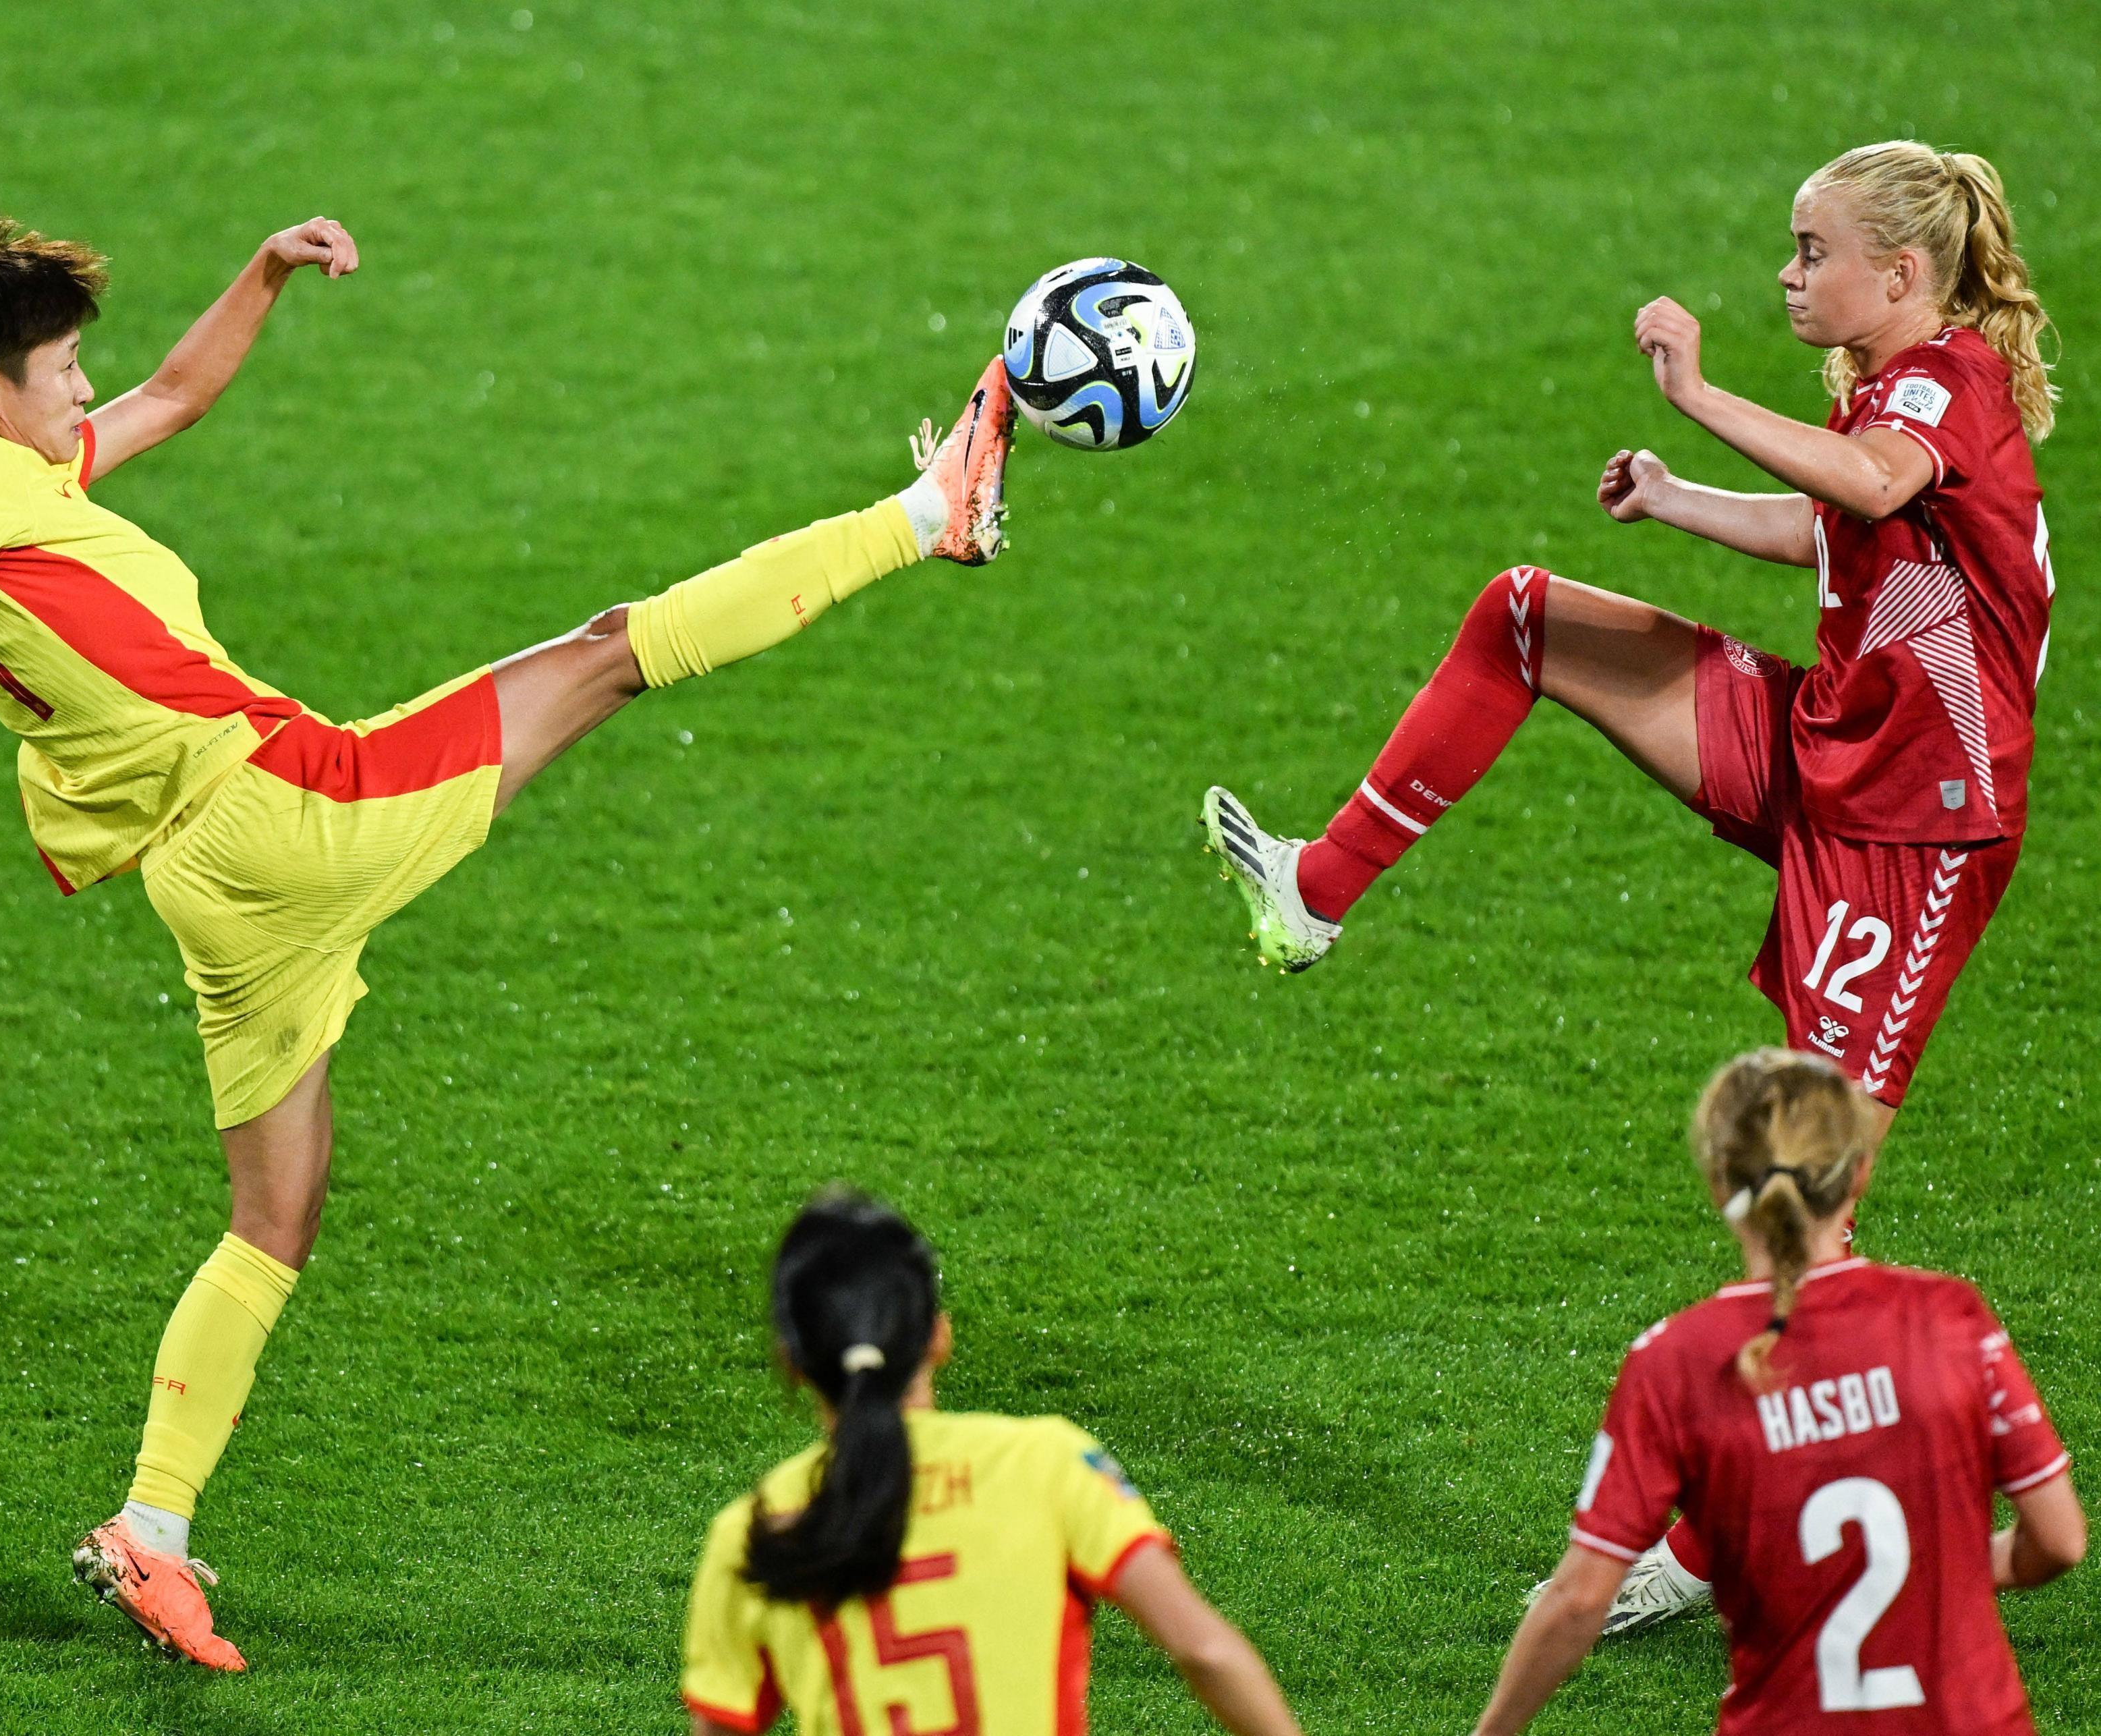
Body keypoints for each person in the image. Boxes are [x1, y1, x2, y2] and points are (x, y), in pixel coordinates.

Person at [0, 211, 1019, 1670]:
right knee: (611, 648)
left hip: (209, 880)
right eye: (62, 367)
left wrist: (261, 274)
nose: (86, 384)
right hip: (292, 809)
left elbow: (174, 394)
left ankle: (152, 1524)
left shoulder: (23, 476)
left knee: (273, 1217)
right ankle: (925, 514)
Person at [1200, 140, 2055, 1629]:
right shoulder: (1888, 381)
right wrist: (1675, 497)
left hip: (1914, 835)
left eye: (1811, 251)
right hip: (1825, 743)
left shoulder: (1948, 386)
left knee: (1798, 1190)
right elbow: (1835, 521)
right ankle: (1314, 890)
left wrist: (1696, 395)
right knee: (1530, 616)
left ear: (1901, 273)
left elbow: (1870, 479)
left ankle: (1749, 1536)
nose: (1788, 274)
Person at [1475, 1048, 2081, 1735]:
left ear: (1719, 1182)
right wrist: (1951, 1570)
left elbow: (1582, 1598)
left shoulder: (1676, 1360)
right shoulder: (1951, 1317)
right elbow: (2060, 1539)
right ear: (1861, 1172)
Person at [680, 1189, 1301, 1736]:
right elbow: (1204, 1651)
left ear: (791, 1362)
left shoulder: (757, 1528)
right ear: (938, 1335)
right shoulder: (1044, 1464)